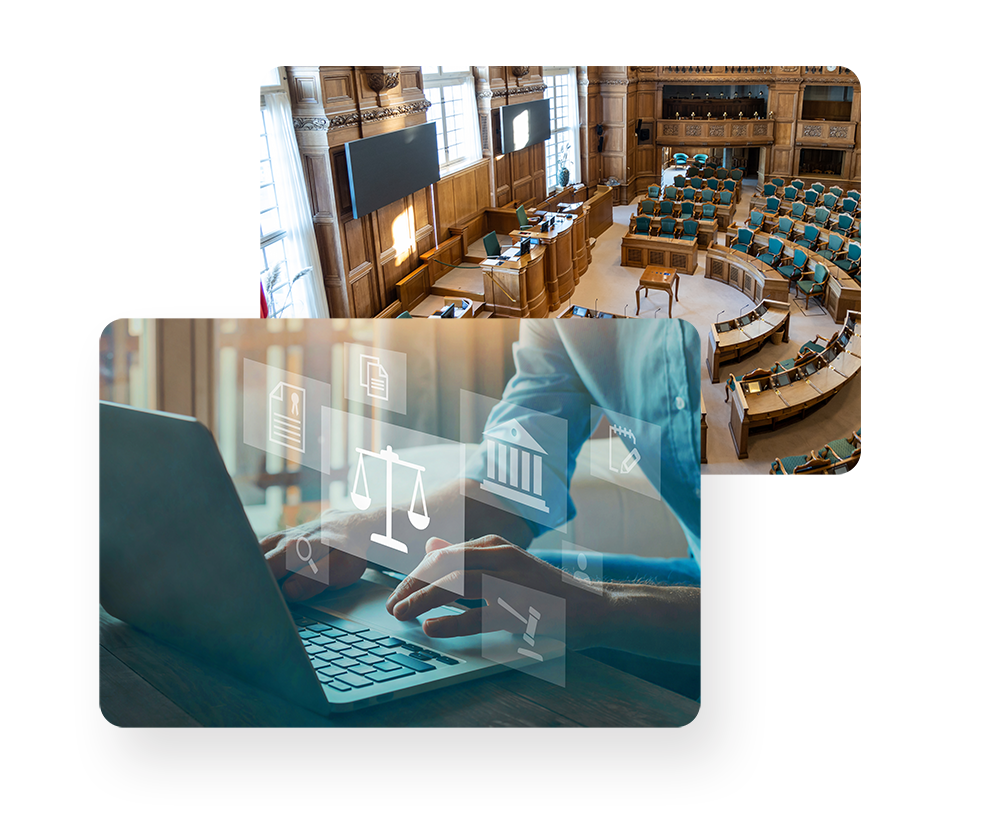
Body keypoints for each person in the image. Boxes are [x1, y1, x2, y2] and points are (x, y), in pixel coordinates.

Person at [260, 319, 702, 668]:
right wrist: (367, 531)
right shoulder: (565, 322)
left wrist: (606, 609)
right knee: (453, 588)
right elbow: (508, 489)